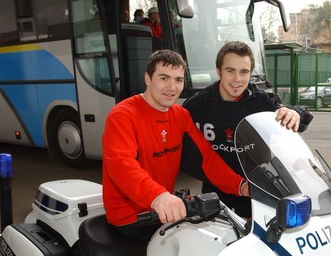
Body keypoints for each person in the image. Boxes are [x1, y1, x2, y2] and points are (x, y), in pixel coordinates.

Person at [102, 49, 249, 239]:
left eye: (178, 80)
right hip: (131, 218)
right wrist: (158, 196)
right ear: (148, 78)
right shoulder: (123, 115)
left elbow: (207, 158)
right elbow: (121, 165)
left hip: (166, 211)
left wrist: (240, 185)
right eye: (164, 78)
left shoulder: (180, 115)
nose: (172, 87)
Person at [182, 41, 313, 219]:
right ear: (219, 71)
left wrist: (294, 113)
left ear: (250, 73)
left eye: (244, 72)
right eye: (230, 71)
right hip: (214, 196)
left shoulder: (262, 101)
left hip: (257, 193)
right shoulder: (196, 105)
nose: (237, 79)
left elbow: (299, 116)